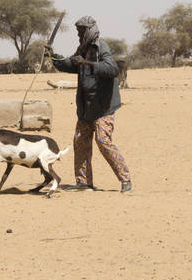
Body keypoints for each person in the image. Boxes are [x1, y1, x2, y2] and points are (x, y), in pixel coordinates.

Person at [46, 16, 132, 193]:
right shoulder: (82, 49)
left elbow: (112, 69)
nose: (79, 35)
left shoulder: (101, 47)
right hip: (86, 109)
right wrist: (54, 57)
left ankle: (125, 179)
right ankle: (84, 182)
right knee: (80, 142)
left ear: (89, 31)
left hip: (103, 108)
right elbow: (71, 64)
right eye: (78, 32)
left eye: (81, 32)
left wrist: (86, 62)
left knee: (103, 141)